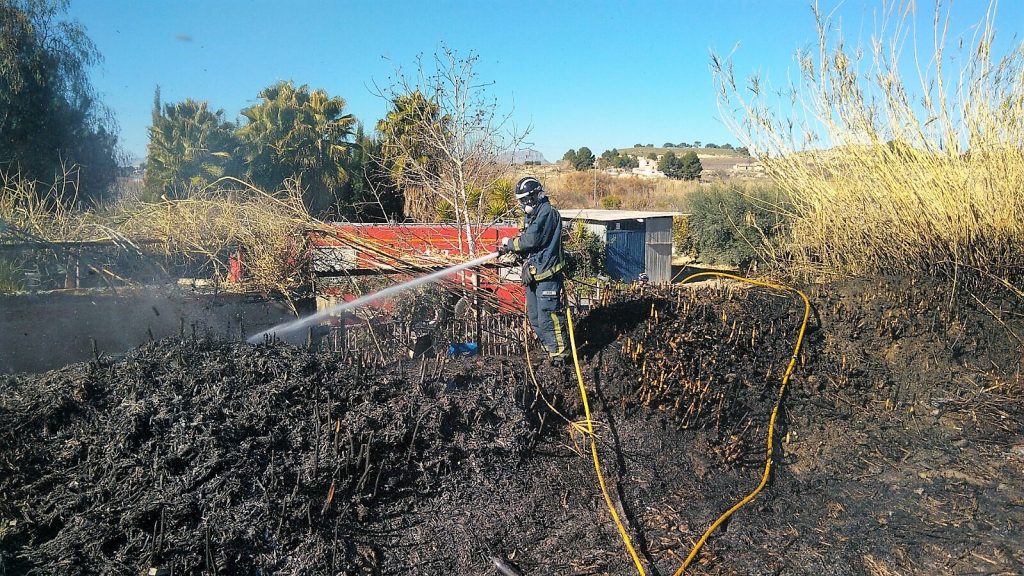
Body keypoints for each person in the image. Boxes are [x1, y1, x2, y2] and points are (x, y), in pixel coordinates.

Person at [498, 176, 568, 365]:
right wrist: (512, 248)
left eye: (526, 199)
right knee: (535, 318)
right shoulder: (533, 215)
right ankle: (549, 351)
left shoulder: (547, 213)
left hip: (547, 275)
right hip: (534, 274)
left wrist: (511, 244)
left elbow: (532, 240)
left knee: (548, 317)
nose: (524, 204)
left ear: (535, 196)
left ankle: (560, 355)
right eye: (521, 200)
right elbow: (529, 239)